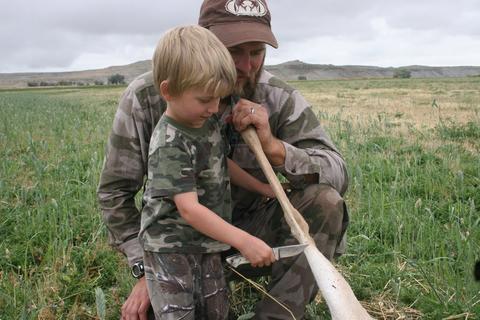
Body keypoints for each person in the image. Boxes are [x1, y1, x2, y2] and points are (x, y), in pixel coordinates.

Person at [97, 0, 349, 319]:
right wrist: (145, 268)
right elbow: (114, 194)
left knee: (325, 202)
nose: (246, 66)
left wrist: (274, 148)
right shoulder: (149, 97)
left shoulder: (277, 97)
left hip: (251, 233)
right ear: (207, 42)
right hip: (177, 245)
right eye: (234, 52)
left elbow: (338, 174)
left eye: (256, 52)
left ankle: (277, 315)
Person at [141, 24, 277, 319]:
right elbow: (189, 209)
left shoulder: (204, 122)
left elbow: (220, 164)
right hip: (172, 247)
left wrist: (264, 188)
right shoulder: (170, 141)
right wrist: (244, 240)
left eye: (219, 98)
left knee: (216, 309)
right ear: (168, 90)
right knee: (180, 311)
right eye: (205, 100)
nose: (214, 108)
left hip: (205, 242)